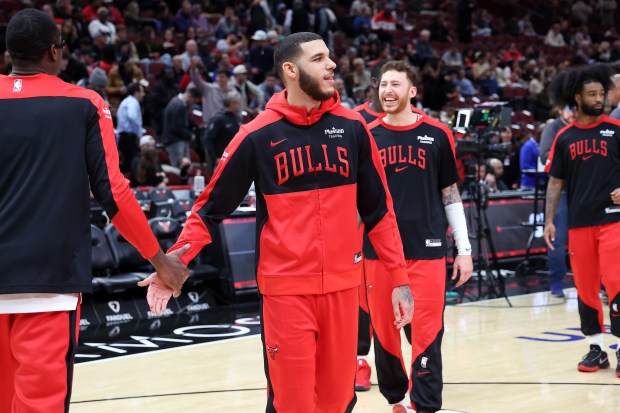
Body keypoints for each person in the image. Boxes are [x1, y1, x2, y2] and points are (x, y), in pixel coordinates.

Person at [142, 32, 414, 412]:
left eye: (329, 57)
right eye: (318, 59)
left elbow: (379, 211)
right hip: (286, 293)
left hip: (342, 290)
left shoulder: (353, 128)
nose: (331, 64)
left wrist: (399, 279)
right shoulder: (257, 135)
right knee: (294, 403)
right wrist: (175, 263)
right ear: (290, 70)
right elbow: (209, 208)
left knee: (338, 401)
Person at [0, 9, 189, 413]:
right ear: (54, 52)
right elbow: (113, 192)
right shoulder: (83, 103)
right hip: (46, 285)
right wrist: (160, 260)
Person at [365, 60, 473, 413]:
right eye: (383, 85)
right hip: (378, 253)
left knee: (427, 333)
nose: (388, 91)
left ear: (412, 90)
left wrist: (464, 248)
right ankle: (396, 399)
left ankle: (424, 405)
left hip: (426, 250)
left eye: (396, 84)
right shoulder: (365, 134)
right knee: (384, 332)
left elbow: (450, 194)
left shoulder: (439, 134)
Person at [544, 64, 620, 377]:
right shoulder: (564, 137)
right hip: (579, 224)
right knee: (586, 288)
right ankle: (597, 348)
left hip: (614, 220)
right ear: (577, 98)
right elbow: (555, 182)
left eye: (602, 93)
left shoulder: (616, 131)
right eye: (592, 94)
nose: (599, 99)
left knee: (616, 284)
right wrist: (549, 220)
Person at [539, 105, 575, 298]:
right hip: (560, 191)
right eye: (569, 109)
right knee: (556, 237)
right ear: (561, 110)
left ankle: (599, 282)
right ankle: (556, 280)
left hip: (582, 190)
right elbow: (545, 157)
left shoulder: (582, 126)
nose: (573, 113)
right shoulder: (552, 128)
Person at [162, 86, 202, 167]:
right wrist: (190, 135)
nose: (193, 104)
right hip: (175, 142)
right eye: (194, 101)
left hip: (176, 141)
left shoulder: (178, 102)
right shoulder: (178, 106)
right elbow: (177, 127)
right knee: (180, 168)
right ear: (190, 97)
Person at [203, 90, 242, 169]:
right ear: (232, 104)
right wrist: (215, 158)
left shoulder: (238, 119)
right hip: (221, 161)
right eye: (238, 103)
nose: (240, 105)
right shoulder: (218, 119)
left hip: (234, 159)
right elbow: (208, 139)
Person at [116, 81, 146, 173]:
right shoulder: (133, 102)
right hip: (128, 138)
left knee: (128, 165)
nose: (143, 94)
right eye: (142, 92)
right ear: (136, 92)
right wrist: (139, 133)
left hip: (124, 137)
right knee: (132, 165)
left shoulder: (126, 101)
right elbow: (132, 116)